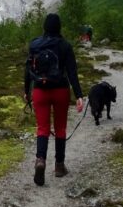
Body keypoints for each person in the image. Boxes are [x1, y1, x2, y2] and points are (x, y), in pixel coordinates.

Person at [24, 13, 84, 186]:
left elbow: (28, 69)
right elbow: (72, 72)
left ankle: (40, 160)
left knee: (42, 128)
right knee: (60, 128)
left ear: (44, 27)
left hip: (40, 90)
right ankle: (59, 166)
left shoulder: (34, 44)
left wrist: (26, 91)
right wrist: (79, 95)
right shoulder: (65, 45)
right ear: (59, 27)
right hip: (60, 90)